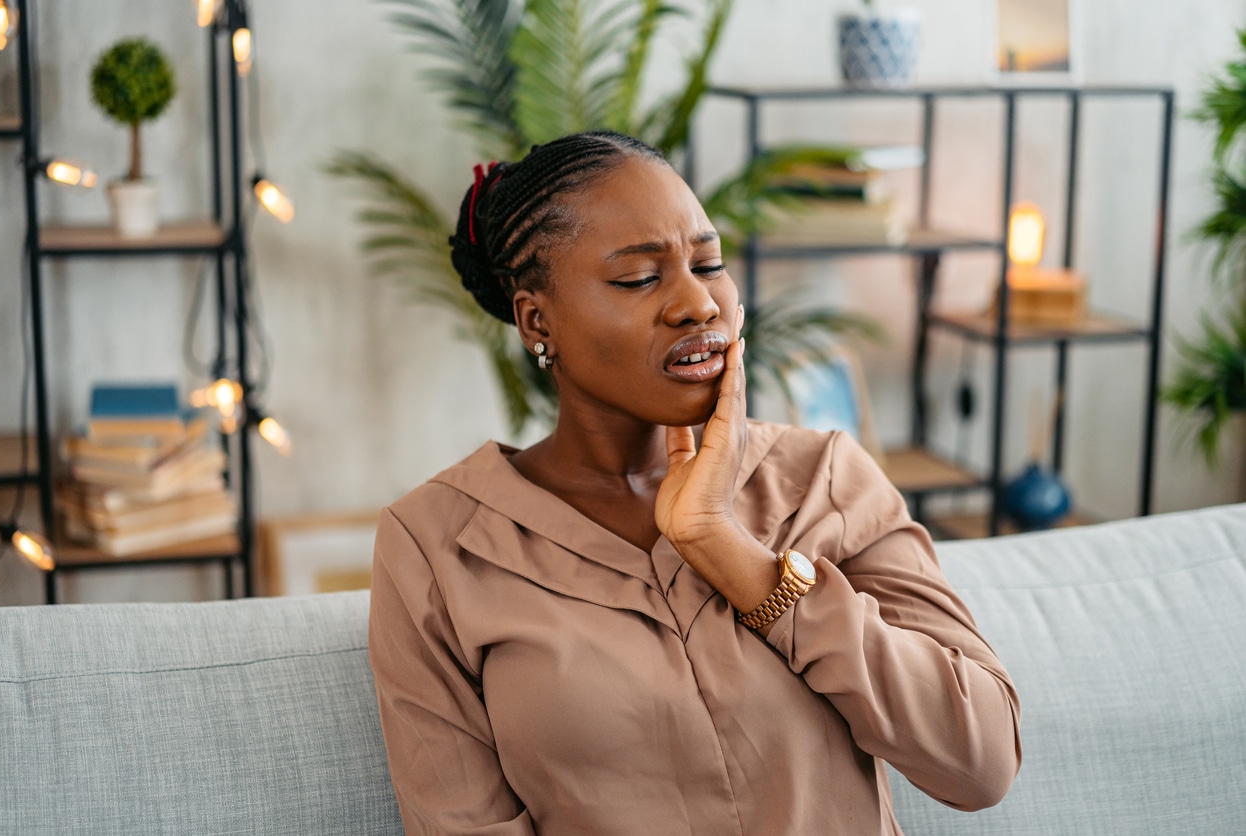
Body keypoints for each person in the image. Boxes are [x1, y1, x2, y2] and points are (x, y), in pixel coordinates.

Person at [368, 130, 1021, 835]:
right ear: (537, 320)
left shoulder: (825, 479)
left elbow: (979, 760)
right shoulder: (438, 547)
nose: (697, 304)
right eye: (639, 279)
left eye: (707, 263)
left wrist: (736, 557)